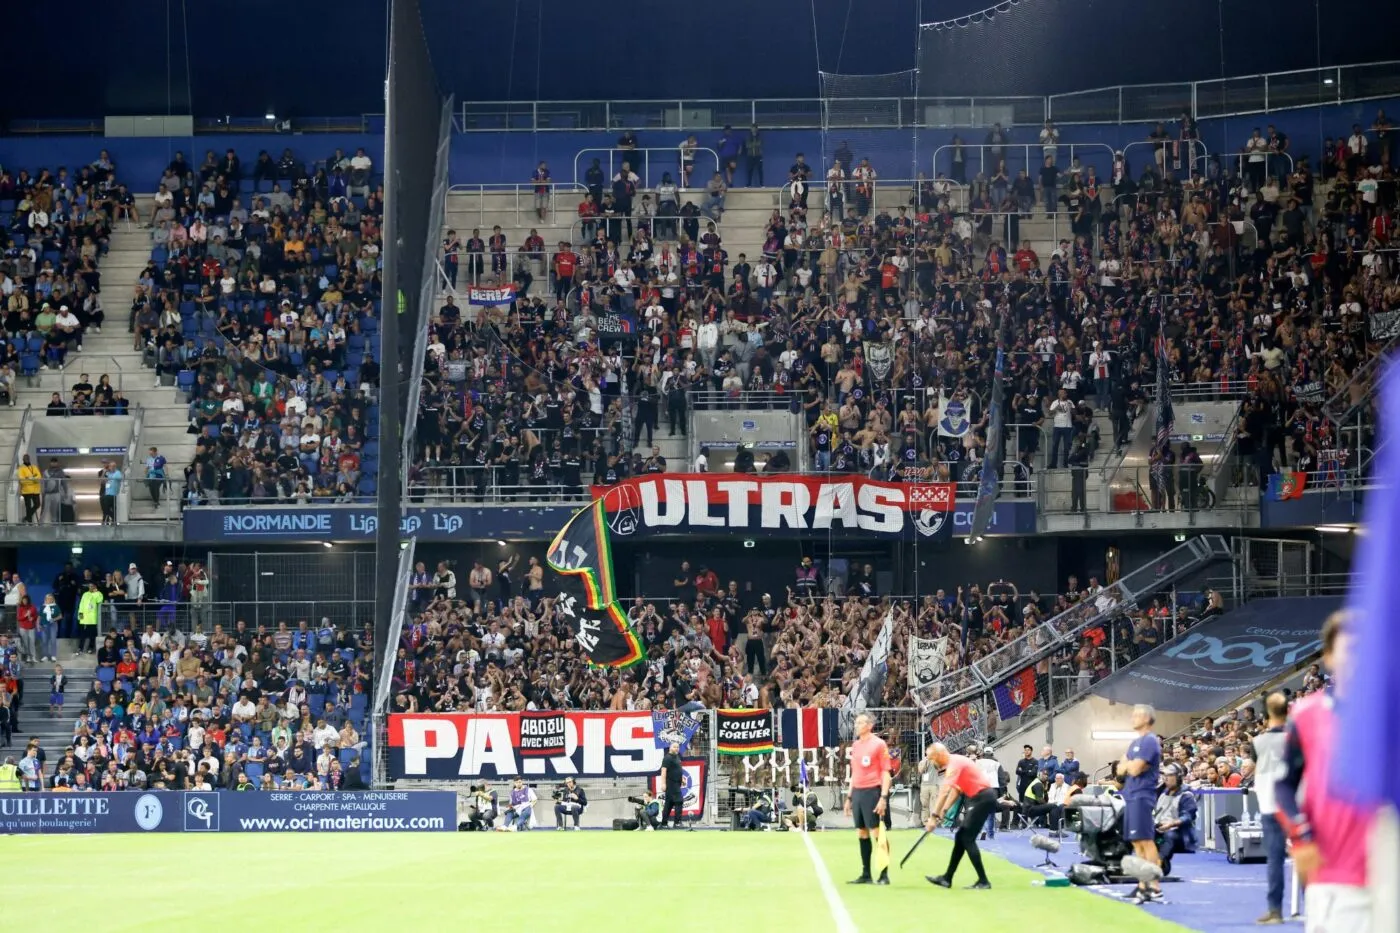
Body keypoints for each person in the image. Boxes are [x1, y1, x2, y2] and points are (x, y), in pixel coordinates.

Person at [1275, 611, 1374, 931]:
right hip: (1334, 873)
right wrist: (1301, 835)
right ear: (1330, 657)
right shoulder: (1307, 714)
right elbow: (1284, 785)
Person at [923, 742, 996, 890]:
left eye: (931, 758)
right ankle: (947, 878)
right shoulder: (956, 762)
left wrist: (933, 817)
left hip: (982, 797)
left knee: (967, 838)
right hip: (980, 798)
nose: (931, 762)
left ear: (939, 755)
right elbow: (957, 789)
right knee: (961, 837)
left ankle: (983, 881)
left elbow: (944, 791)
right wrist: (943, 811)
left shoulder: (954, 763)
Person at [1116, 703, 1164, 904]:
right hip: (1131, 794)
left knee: (1145, 839)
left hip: (1143, 794)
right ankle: (1143, 884)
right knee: (1136, 841)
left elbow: (1133, 769)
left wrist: (1128, 764)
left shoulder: (1150, 741)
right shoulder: (1135, 743)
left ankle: (1154, 886)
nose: (1132, 718)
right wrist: (1128, 764)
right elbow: (1119, 770)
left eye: (1136, 715)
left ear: (1147, 718)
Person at [1251, 691, 1289, 925]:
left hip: (1269, 804)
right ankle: (1317, 908)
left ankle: (1275, 910)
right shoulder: (1297, 738)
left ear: (1266, 715)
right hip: (1296, 803)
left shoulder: (1257, 742)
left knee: (1275, 859)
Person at [843, 711, 892, 885]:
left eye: (860, 723)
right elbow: (855, 773)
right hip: (858, 792)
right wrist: (849, 797)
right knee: (862, 832)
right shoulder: (855, 746)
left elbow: (886, 772)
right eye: (856, 723)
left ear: (869, 726)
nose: (856, 726)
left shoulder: (879, 744)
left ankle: (884, 874)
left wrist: (883, 797)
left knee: (878, 832)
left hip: (873, 791)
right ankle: (866, 874)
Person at [1152, 765, 1197, 874]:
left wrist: (1171, 824)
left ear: (1178, 777)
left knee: (1169, 836)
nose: (1165, 778)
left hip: (1180, 833)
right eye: (1164, 775)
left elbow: (1188, 817)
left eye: (1169, 775)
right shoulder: (1162, 793)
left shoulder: (1186, 795)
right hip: (1160, 829)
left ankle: (1159, 862)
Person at [660, 741, 685, 827]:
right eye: (674, 747)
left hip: (677, 784)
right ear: (670, 748)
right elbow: (663, 771)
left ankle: (664, 823)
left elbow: (678, 769)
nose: (676, 748)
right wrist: (663, 784)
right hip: (671, 784)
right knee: (679, 801)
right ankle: (677, 823)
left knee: (669, 803)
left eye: (678, 747)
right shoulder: (667, 758)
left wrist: (682, 779)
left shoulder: (677, 757)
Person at [76, 580, 102, 654]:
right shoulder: (85, 594)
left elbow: (99, 600)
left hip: (92, 619)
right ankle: (80, 648)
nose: (90, 587)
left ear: (95, 587)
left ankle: (90, 648)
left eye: (92, 586)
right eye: (89, 586)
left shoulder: (98, 593)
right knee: (82, 635)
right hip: (84, 619)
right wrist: (80, 616)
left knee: (92, 635)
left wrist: (96, 592)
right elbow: (81, 605)